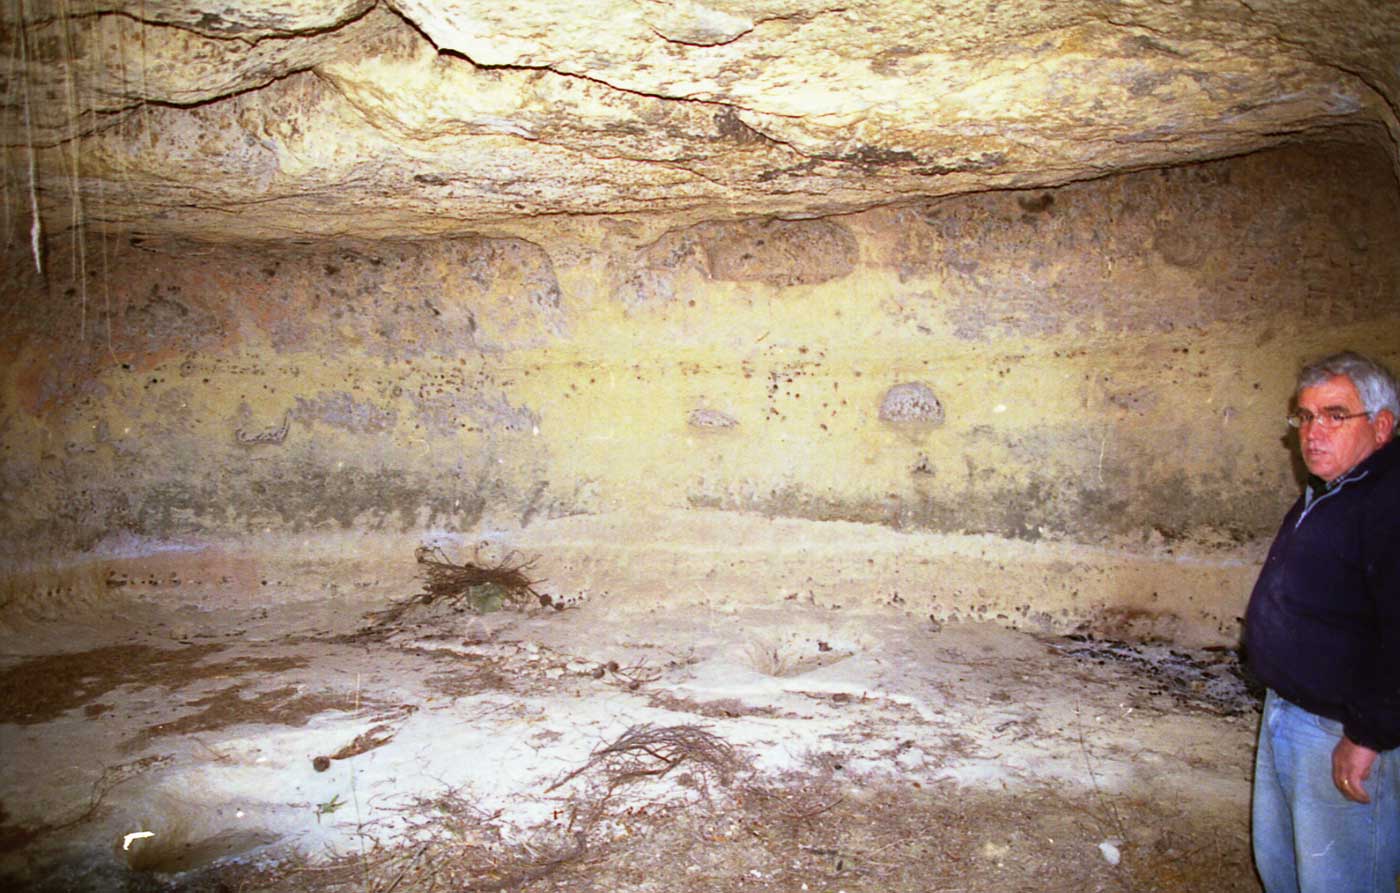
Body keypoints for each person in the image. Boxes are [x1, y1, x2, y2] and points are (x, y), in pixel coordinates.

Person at [1244, 350, 1400, 893]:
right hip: (1290, 712)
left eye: (1335, 415)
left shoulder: (1388, 502)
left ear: (1381, 427)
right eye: (1305, 417)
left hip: (1341, 728)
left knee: (1340, 878)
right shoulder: (1332, 489)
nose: (1314, 431)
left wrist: (1368, 734)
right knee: (1284, 866)